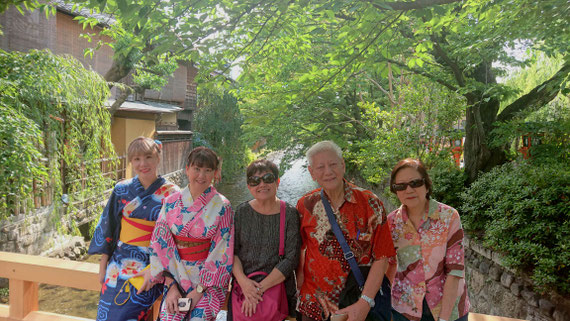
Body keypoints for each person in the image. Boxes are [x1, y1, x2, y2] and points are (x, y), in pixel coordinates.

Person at [296, 141, 396, 321]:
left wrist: (365, 302)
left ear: (342, 165)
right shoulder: (305, 205)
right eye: (320, 167)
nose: (328, 171)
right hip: (315, 305)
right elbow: (300, 252)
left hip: (357, 305)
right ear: (312, 173)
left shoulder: (370, 203)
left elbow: (382, 257)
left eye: (333, 164)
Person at [88, 136, 179, 321]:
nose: (143, 164)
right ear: (131, 161)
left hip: (152, 264)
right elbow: (109, 226)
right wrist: (103, 263)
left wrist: (157, 269)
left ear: (158, 158)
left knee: (127, 314)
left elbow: (176, 239)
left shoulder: (173, 194)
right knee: (106, 314)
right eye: (137, 159)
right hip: (119, 262)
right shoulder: (121, 189)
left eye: (148, 157)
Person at [144, 146, 234, 321]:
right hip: (175, 275)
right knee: (168, 317)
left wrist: (199, 290)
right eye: (197, 169)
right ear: (187, 169)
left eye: (208, 170)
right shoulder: (170, 202)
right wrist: (171, 286)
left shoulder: (223, 206)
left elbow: (222, 251)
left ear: (215, 173)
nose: (201, 175)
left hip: (207, 282)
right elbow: (159, 244)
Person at [386, 159, 470, 321]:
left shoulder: (449, 217)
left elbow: (455, 270)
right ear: (395, 190)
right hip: (405, 309)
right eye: (401, 186)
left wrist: (444, 318)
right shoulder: (391, 223)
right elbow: (388, 265)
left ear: (426, 184)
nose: (408, 190)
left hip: (448, 308)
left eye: (415, 183)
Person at [229, 159, 301, 320]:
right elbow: (232, 252)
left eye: (268, 178)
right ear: (249, 186)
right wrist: (245, 284)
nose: (261, 184)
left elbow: (291, 259)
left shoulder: (289, 214)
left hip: (277, 291)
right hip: (242, 290)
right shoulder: (241, 212)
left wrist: (256, 291)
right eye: (255, 181)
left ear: (277, 181)